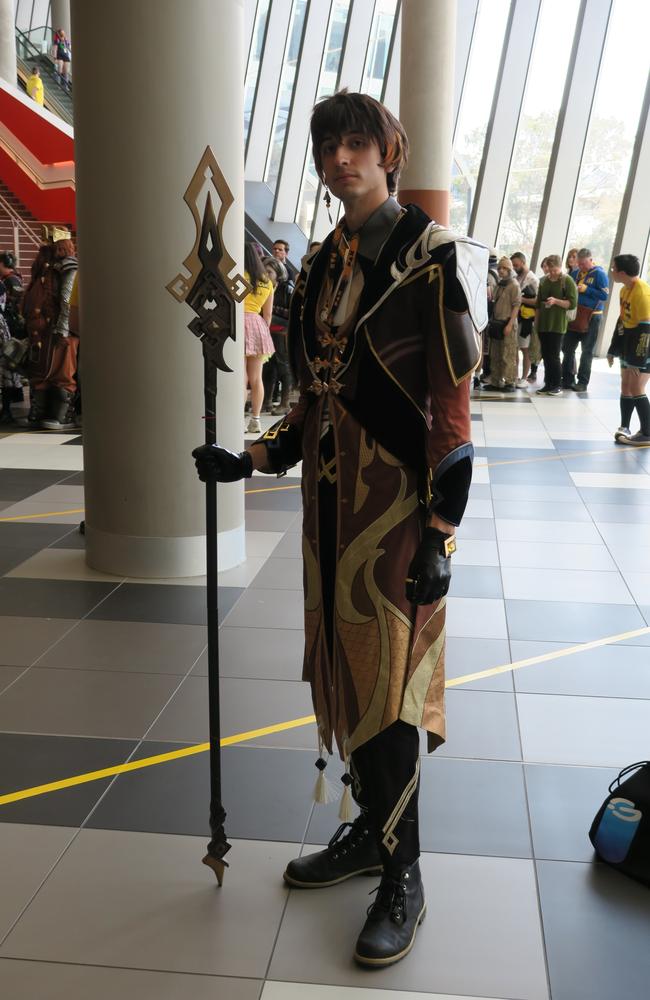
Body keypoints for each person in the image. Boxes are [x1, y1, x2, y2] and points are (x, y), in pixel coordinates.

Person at [193, 89, 486, 968]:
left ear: (387, 152)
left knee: (389, 681)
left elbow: (452, 407)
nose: (341, 161)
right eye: (329, 147)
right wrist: (255, 458)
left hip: (397, 510)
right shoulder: (320, 264)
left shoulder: (429, 257)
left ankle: (407, 873)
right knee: (345, 675)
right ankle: (367, 836)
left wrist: (441, 531)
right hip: (329, 510)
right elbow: (315, 391)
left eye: (357, 144)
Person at [21, 227, 79, 429]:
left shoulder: (42, 267)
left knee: (40, 373)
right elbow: (66, 299)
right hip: (59, 328)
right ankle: (61, 416)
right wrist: (64, 329)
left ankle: (38, 414)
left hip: (38, 329)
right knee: (63, 373)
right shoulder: (68, 265)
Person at [607, 254, 650, 445]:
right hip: (629, 342)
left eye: (613, 268)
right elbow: (622, 321)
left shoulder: (643, 293)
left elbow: (646, 329)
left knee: (636, 386)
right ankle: (625, 426)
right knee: (625, 385)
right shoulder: (624, 290)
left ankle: (647, 432)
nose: (612, 271)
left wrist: (636, 360)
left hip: (644, 345)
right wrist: (613, 348)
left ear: (622, 272)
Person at [561, 247, 609, 392]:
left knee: (587, 350)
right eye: (579, 263)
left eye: (583, 263)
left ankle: (582, 382)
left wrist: (587, 289)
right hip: (575, 315)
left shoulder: (599, 274)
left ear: (590, 259)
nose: (581, 266)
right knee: (567, 348)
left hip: (592, 317)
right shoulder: (575, 273)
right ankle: (567, 379)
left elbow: (604, 296)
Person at [534, 254, 577, 396]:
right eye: (549, 270)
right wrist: (537, 323)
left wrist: (556, 301)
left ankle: (557, 385)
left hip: (557, 324)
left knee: (554, 355)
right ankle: (548, 383)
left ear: (560, 267)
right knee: (545, 355)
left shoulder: (567, 281)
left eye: (555, 270)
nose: (552, 273)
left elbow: (572, 304)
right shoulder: (544, 281)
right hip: (543, 324)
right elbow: (538, 303)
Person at [243, 241, 274, 434]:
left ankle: (236, 416)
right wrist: (263, 330)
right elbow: (268, 314)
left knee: (242, 377)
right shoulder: (267, 282)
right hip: (258, 324)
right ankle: (255, 419)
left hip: (239, 323)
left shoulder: (238, 276)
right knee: (256, 378)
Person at [262, 250, 295, 416]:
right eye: (264, 271)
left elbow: (293, 313)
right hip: (266, 332)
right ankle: (266, 401)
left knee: (284, 367)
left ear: (278, 273)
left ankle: (285, 403)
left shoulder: (288, 289)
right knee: (268, 368)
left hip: (282, 333)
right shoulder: (264, 287)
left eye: (269, 272)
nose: (266, 275)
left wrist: (270, 310)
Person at [485, 256, 520, 391]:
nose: (501, 271)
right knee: (495, 354)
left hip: (507, 323)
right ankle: (496, 380)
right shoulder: (500, 284)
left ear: (510, 269)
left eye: (504, 268)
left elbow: (516, 305)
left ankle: (510, 382)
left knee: (508, 354)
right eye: (499, 268)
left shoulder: (514, 285)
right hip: (497, 323)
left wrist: (510, 324)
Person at [511, 251, 538, 387]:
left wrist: (522, 299)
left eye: (516, 264)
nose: (514, 267)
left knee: (525, 348)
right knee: (515, 347)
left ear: (523, 262)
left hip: (527, 319)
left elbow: (539, 301)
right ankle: (515, 376)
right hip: (517, 317)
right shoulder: (516, 276)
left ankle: (524, 377)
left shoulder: (532, 278)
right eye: (513, 265)